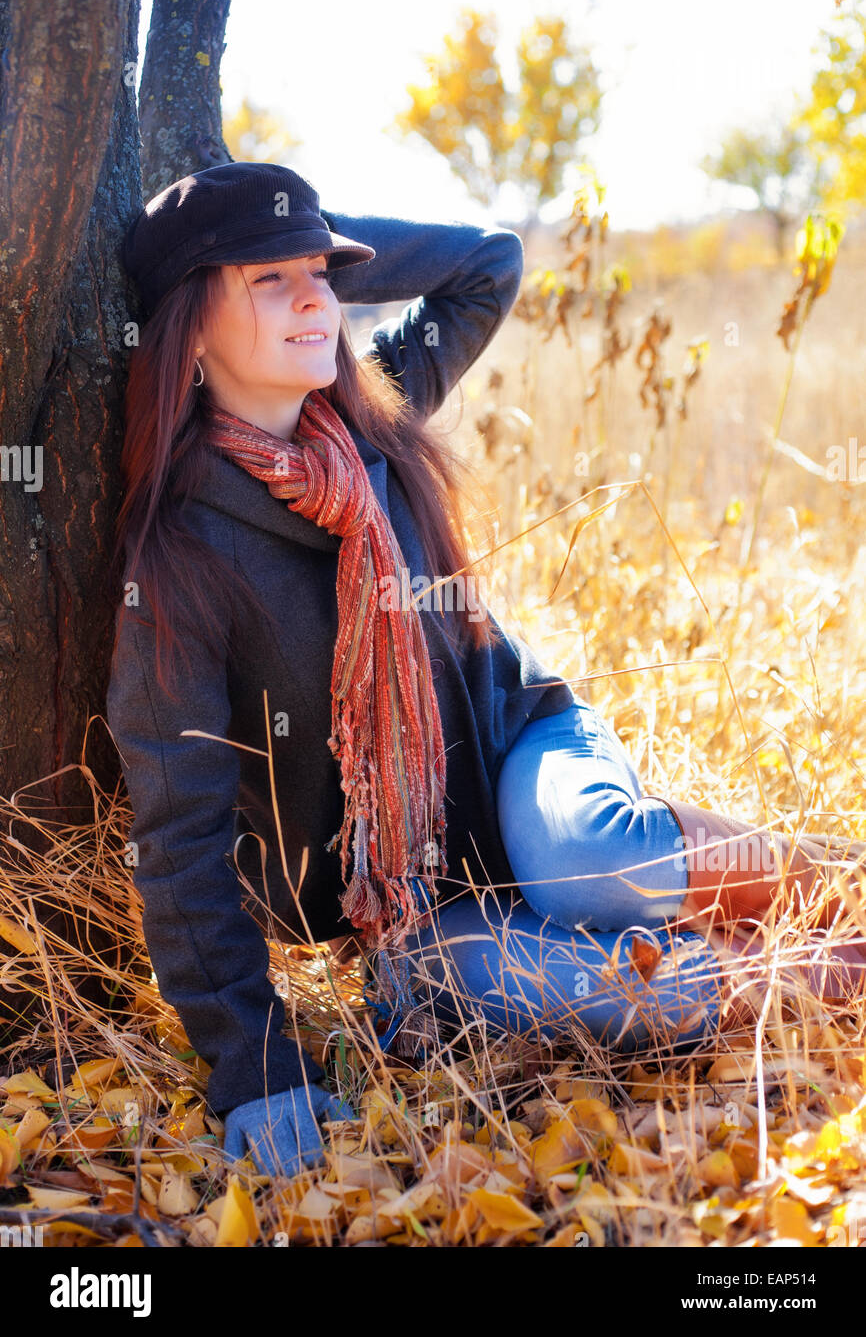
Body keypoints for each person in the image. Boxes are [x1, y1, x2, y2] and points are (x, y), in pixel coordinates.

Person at [107, 161, 865, 1181]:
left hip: (524, 753)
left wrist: (303, 229)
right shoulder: (180, 557)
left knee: (577, 855)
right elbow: (181, 833)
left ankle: (841, 878)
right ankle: (820, 973)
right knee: (536, 981)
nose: (313, 298)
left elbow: (484, 265)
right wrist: (252, 1065)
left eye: (321, 274)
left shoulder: (375, 410)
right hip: (410, 906)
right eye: (266, 280)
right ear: (191, 323)